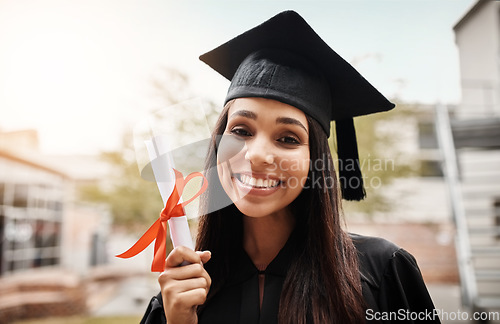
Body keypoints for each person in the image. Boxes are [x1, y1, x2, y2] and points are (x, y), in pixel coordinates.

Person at [140, 11, 440, 324]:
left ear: (315, 160)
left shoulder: (381, 275)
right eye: (241, 130)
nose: (257, 155)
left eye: (287, 138)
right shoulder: (181, 297)